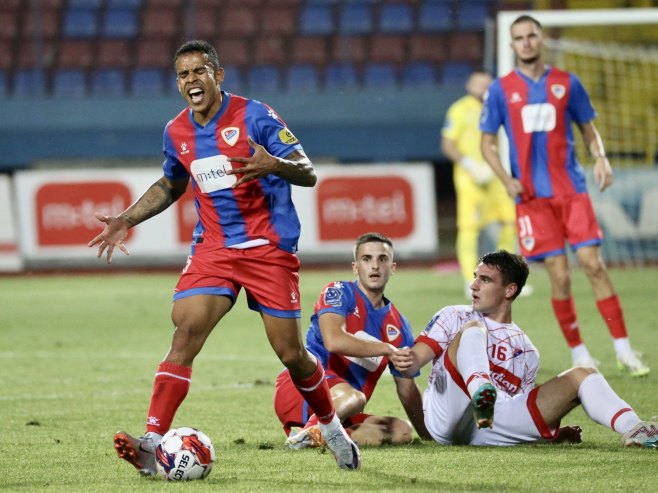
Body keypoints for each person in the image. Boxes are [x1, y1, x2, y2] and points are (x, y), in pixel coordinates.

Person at [88, 40, 360, 474]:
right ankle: (152, 442)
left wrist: (275, 164)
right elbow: (171, 184)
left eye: (199, 71)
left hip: (268, 248)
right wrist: (127, 218)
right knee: (185, 332)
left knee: (291, 353)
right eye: (183, 74)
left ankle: (330, 427)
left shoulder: (256, 116)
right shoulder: (175, 131)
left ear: (218, 75)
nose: (191, 81)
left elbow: (307, 171)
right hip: (214, 248)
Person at [479, 14, 649, 376]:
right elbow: (487, 142)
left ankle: (624, 350)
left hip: (572, 192)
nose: (526, 42)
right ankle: (579, 354)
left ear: (541, 40)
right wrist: (506, 179)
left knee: (594, 265)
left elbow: (589, 128)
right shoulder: (501, 89)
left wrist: (600, 157)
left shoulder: (567, 83)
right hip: (532, 199)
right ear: (512, 45)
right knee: (560, 277)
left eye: (531, 35)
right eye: (519, 37)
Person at [393, 250, 657, 448]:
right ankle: (480, 392)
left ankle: (635, 429)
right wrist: (397, 355)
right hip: (447, 415)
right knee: (473, 329)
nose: (473, 285)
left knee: (582, 374)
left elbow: (517, 408)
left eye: (484, 280)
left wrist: (554, 435)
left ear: (509, 290)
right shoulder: (455, 316)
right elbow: (414, 362)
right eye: (475, 278)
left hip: (486, 429)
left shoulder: (528, 351)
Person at [275, 232, 431, 448]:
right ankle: (309, 432)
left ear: (392, 268)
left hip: (344, 408)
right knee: (356, 397)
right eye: (367, 259)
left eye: (382, 259)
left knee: (401, 431)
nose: (375, 266)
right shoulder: (339, 292)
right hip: (304, 390)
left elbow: (406, 388)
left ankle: (317, 439)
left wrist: (429, 436)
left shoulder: (399, 324)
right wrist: (385, 348)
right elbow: (334, 340)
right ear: (356, 267)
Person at [441, 69, 519, 299]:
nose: (482, 87)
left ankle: (506, 279)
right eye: (478, 83)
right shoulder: (459, 109)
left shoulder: (498, 106)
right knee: (469, 228)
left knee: (509, 222)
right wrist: (469, 164)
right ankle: (470, 280)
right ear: (469, 85)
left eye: (487, 84)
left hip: (494, 174)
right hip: (470, 177)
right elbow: (447, 144)